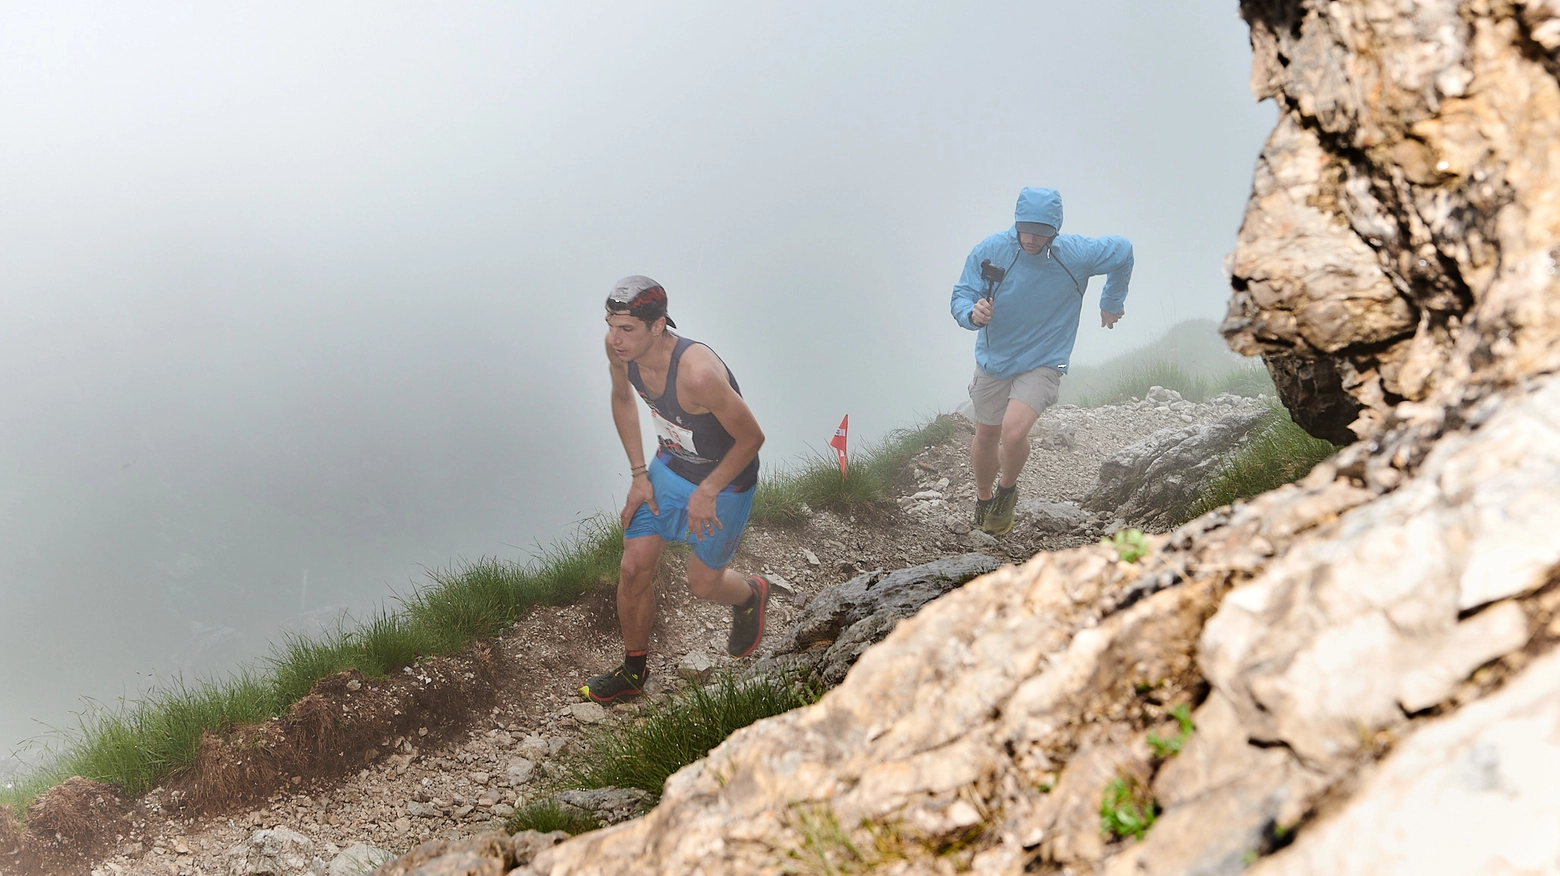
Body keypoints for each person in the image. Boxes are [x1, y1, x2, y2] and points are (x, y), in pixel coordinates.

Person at [581, 275, 771, 704]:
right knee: (632, 569)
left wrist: (708, 490)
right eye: (611, 324)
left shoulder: (697, 374)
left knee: (702, 584)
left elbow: (752, 438)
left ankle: (750, 595)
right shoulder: (619, 352)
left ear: (658, 325)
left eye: (627, 328)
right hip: (668, 468)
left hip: (727, 478)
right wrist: (637, 475)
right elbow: (624, 399)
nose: (615, 338)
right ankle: (633, 671)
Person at [950, 187, 1134, 536]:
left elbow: (1124, 251)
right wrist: (971, 313)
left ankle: (1007, 491)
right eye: (1026, 230)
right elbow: (962, 294)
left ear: (1056, 230)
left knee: (1014, 431)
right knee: (986, 435)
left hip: (1045, 358)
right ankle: (984, 498)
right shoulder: (991, 251)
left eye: (1042, 232)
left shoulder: (1076, 254)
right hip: (995, 358)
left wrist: (1111, 300)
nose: (1032, 239)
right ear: (1016, 223)